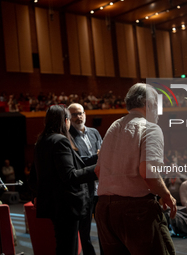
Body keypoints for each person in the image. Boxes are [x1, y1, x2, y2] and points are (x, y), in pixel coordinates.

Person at [94, 83, 177, 255]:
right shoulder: (150, 128)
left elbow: (98, 171)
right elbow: (148, 172)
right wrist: (166, 195)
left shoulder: (112, 127)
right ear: (148, 104)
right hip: (136, 212)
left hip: (104, 211)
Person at [34, 105, 97, 255]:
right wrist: (97, 169)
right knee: (68, 248)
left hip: (53, 204)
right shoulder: (60, 140)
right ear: (66, 121)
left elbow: (34, 176)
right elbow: (70, 176)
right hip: (66, 205)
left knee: (63, 245)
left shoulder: (41, 141)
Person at [68, 103, 103, 255]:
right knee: (85, 231)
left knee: (104, 229)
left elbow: (103, 153)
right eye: (74, 115)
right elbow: (78, 162)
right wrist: (97, 156)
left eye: (80, 113)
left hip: (101, 188)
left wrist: (100, 156)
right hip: (84, 190)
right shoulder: (67, 136)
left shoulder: (94, 132)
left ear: (85, 114)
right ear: (69, 118)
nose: (78, 117)